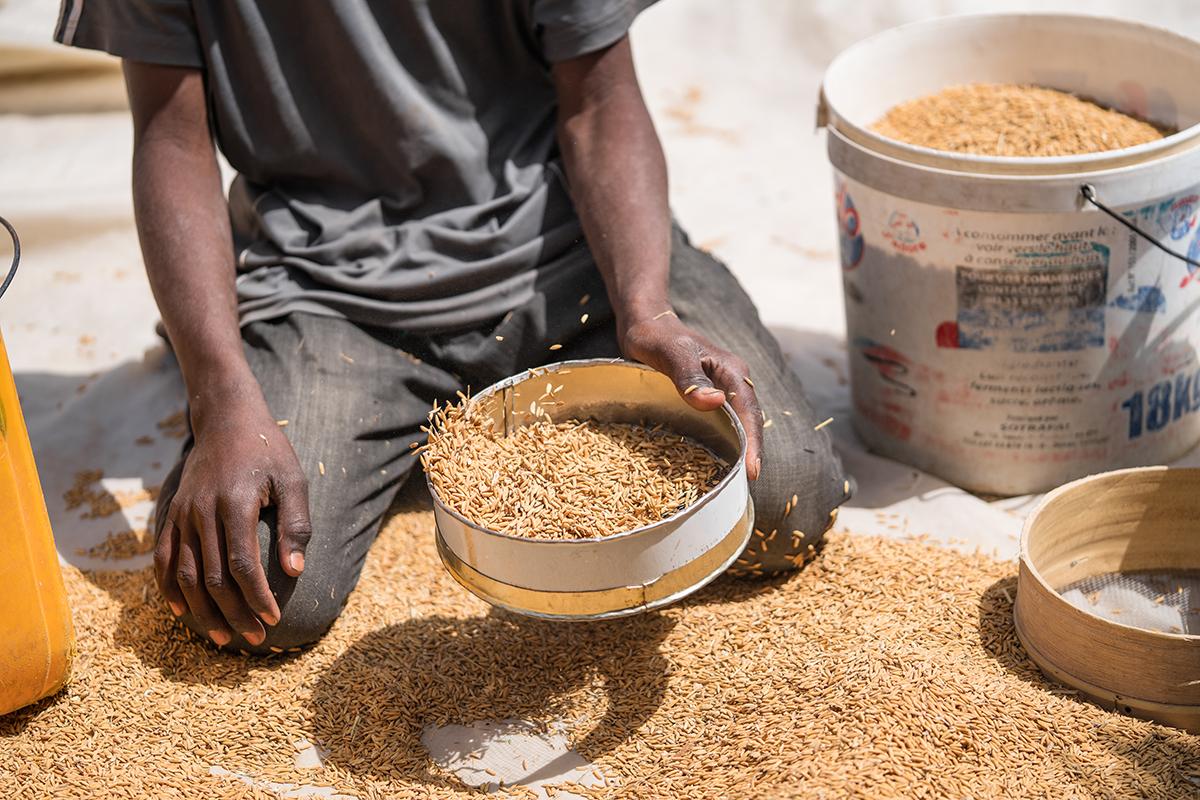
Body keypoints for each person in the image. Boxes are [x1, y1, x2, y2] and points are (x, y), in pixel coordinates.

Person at [55, 0, 849, 654]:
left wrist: (646, 308)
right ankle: (389, 418)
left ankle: (453, 426)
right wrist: (221, 395)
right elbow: (170, 139)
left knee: (780, 498)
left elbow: (600, 103)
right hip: (332, 294)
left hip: (569, 259)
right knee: (251, 591)